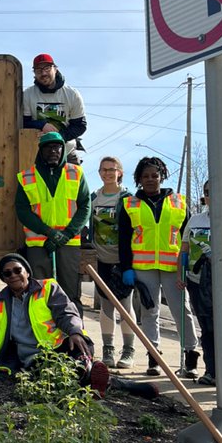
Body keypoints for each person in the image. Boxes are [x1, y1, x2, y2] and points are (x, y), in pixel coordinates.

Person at [118, 156, 200, 378]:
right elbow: (123, 240)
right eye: (146, 176)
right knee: (150, 312)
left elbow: (188, 238)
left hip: (174, 267)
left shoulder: (179, 202)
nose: (151, 180)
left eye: (155, 175)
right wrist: (126, 267)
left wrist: (186, 266)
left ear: (162, 176)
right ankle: (153, 358)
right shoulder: (129, 204)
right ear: (139, 179)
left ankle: (191, 357)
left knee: (181, 311)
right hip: (144, 267)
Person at [0, 253, 93, 374]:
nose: (13, 275)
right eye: (8, 273)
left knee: (78, 343)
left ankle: (87, 368)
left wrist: (74, 331)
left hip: (57, 347)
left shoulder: (48, 288)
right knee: (48, 371)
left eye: (17, 270)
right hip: (31, 357)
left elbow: (65, 312)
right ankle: (88, 373)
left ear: (27, 273)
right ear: (4, 279)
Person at [14, 130, 90, 314]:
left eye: (57, 147)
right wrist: (49, 232)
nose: (53, 151)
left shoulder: (76, 173)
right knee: (39, 290)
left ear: (63, 150)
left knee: (69, 291)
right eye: (48, 147)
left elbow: (85, 206)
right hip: (39, 244)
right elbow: (22, 210)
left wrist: (66, 234)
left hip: (68, 242)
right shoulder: (27, 177)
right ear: (40, 151)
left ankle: (74, 335)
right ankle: (42, 335)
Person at [88, 155, 138, 368]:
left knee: (125, 305)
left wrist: (130, 264)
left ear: (119, 172)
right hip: (102, 259)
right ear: (99, 173)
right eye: (103, 169)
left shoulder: (128, 198)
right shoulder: (94, 199)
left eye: (111, 169)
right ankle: (108, 349)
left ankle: (128, 350)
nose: (107, 173)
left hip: (124, 261)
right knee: (106, 306)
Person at [21, 53, 88, 163]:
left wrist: (58, 136)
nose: (43, 73)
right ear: (34, 73)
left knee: (74, 179)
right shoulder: (28, 95)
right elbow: (23, 122)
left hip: (67, 151)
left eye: (47, 68)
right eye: (38, 70)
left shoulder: (72, 94)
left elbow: (80, 125)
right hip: (36, 154)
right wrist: (41, 125)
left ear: (55, 69)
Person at [180, 180, 216, 386]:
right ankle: (211, 370)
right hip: (197, 281)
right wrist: (181, 274)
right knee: (207, 328)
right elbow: (184, 249)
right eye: (208, 192)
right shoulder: (195, 220)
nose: (212, 196)